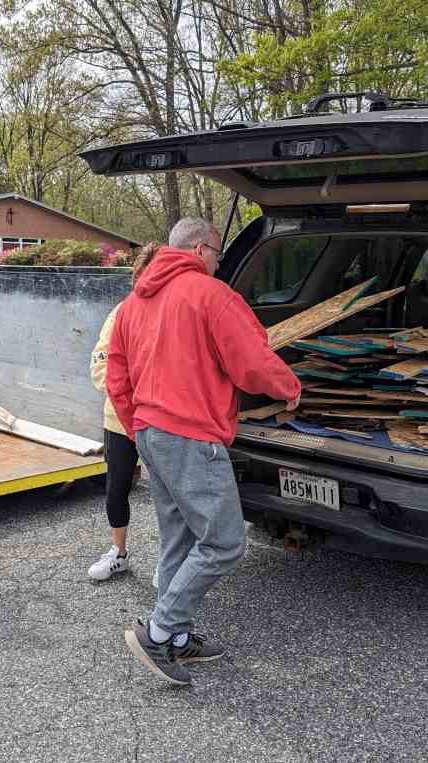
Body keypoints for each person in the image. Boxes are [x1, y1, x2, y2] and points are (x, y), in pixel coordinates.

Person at [106, 217, 301, 685]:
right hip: (191, 437)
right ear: (199, 249)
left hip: (151, 433)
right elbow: (250, 360)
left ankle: (177, 640)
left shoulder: (133, 303)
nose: (218, 262)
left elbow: (117, 372)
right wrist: (289, 387)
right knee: (225, 541)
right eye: (217, 253)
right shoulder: (210, 295)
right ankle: (159, 632)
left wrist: (138, 425)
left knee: (181, 538)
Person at [87, 244, 160, 582]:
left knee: (168, 493)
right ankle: (119, 552)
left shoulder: (176, 312)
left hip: (163, 420)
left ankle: (170, 560)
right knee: (117, 488)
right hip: (120, 418)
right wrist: (132, 395)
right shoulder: (120, 313)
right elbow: (99, 364)